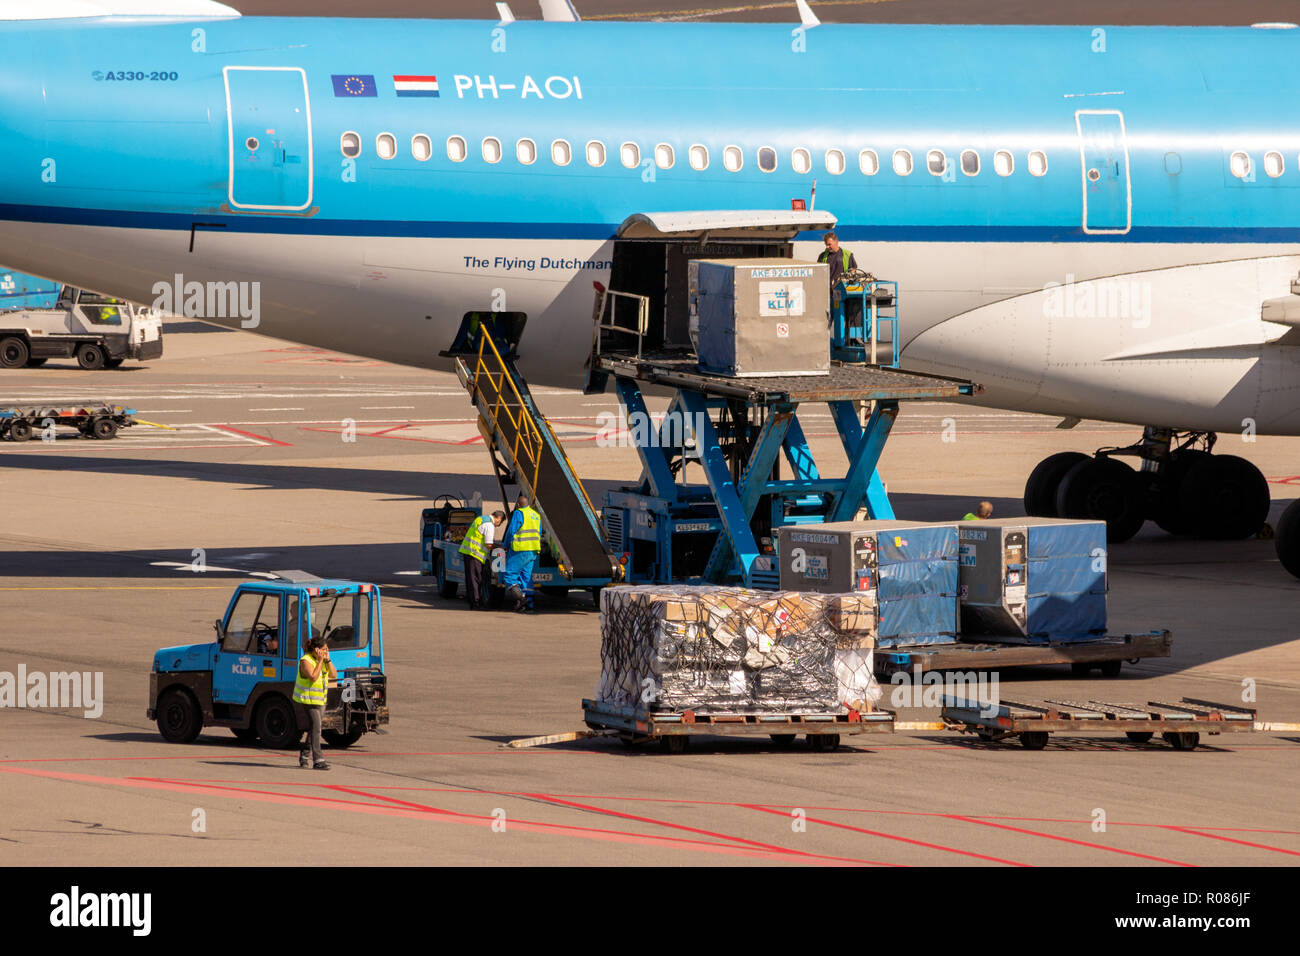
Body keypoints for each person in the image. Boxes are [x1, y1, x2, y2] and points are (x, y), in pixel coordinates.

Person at [292, 633, 336, 770]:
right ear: (316, 650)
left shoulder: (323, 660)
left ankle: (304, 755)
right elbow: (312, 676)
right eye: (324, 649)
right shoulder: (306, 660)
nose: (326, 652)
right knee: (317, 727)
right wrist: (320, 661)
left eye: (327, 650)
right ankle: (318, 760)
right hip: (307, 700)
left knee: (314, 729)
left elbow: (334, 675)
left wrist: (327, 661)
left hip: (320, 700)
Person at [502, 494, 542, 612]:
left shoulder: (519, 513)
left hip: (520, 550)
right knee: (526, 578)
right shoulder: (536, 515)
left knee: (509, 575)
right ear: (528, 504)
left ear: (518, 505)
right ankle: (528, 606)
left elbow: (511, 531)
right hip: (533, 550)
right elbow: (539, 532)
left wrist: (505, 545)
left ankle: (521, 599)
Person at [459, 509, 506, 610]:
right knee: (476, 579)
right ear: (499, 518)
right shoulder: (489, 525)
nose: (499, 525)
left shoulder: (481, 519)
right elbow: (489, 544)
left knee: (471, 579)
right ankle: (476, 604)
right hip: (475, 553)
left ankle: (472, 601)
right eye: (501, 522)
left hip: (469, 552)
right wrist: (501, 547)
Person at [818, 231, 863, 332]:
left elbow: (853, 269)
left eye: (829, 244)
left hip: (843, 293)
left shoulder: (846, 254)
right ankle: (826, 340)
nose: (827, 247)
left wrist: (844, 277)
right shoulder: (823, 256)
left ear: (836, 242)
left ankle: (848, 339)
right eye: (826, 245)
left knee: (847, 317)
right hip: (829, 293)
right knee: (828, 319)